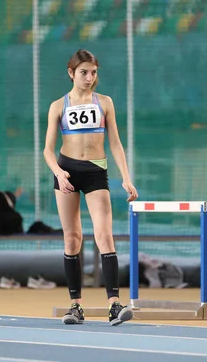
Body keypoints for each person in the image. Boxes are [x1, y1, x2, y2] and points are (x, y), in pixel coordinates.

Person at [43, 49, 139, 326]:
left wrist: (126, 177)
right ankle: (75, 306)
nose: (89, 77)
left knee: (104, 235)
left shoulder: (104, 103)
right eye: (84, 72)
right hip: (67, 172)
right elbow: (47, 150)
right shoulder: (58, 106)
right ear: (71, 73)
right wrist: (59, 172)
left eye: (94, 72)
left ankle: (115, 305)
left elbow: (116, 143)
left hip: (96, 171)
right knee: (72, 238)